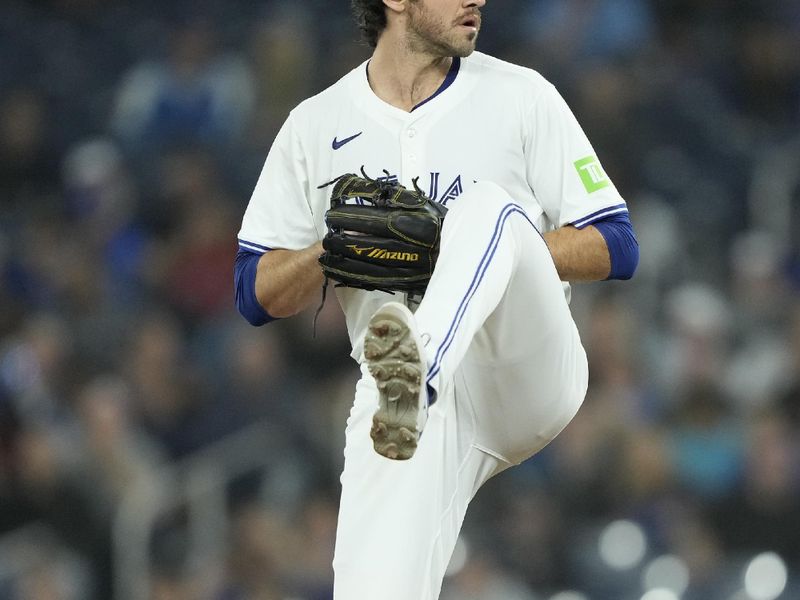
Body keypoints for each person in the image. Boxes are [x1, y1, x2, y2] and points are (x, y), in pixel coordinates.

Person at [234, 0, 639, 598]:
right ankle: (414, 378)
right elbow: (253, 290)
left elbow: (617, 242)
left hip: (519, 364)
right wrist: (332, 249)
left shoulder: (520, 96)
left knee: (486, 209)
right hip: (397, 400)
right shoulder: (315, 125)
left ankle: (421, 366)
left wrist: (453, 250)